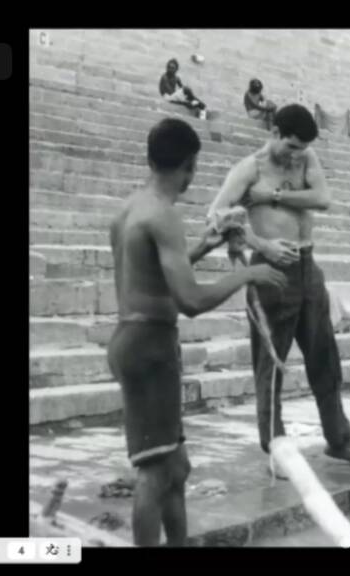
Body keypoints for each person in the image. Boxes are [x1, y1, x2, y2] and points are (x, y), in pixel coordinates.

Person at [107, 118, 287, 546]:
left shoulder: (131, 208)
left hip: (129, 340)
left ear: (150, 159)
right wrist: (249, 275)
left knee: (176, 467)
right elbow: (190, 301)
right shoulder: (164, 216)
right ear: (190, 167)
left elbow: (155, 270)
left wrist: (205, 245)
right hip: (150, 346)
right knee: (154, 474)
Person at [206, 104, 350, 469]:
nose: (295, 154)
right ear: (274, 133)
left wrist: (273, 196)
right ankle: (277, 450)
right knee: (271, 365)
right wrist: (260, 244)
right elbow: (216, 216)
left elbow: (323, 200)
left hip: (308, 268)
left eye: (302, 148)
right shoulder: (249, 168)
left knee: (325, 360)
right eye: (290, 146)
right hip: (271, 270)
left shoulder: (306, 158)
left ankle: (340, 440)